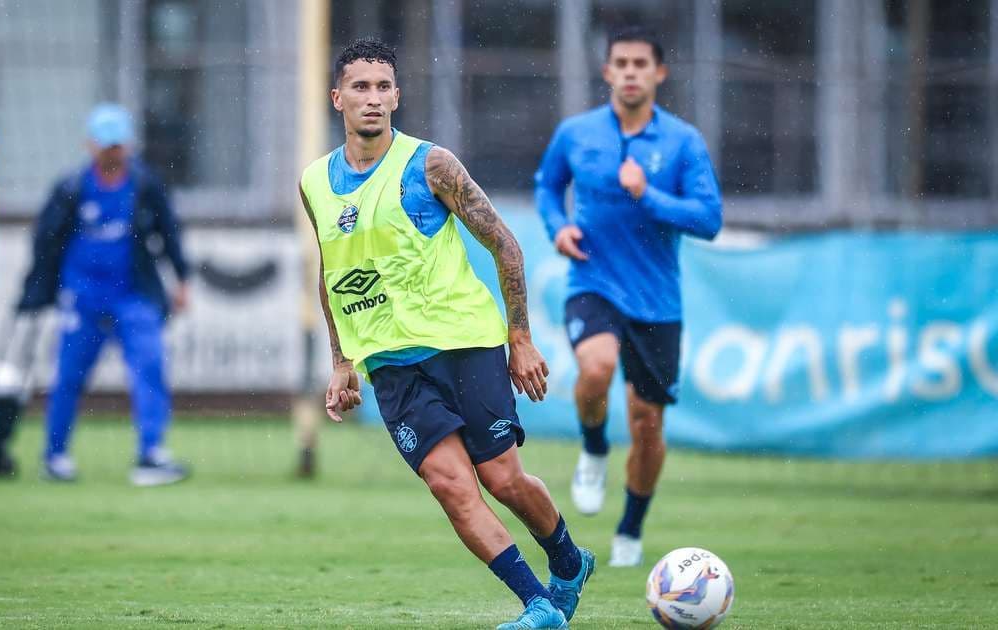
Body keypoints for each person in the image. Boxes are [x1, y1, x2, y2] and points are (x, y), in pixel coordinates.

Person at [300, 38, 595, 629]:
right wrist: (341, 361)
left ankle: (568, 560)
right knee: (450, 485)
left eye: (384, 87)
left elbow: (504, 244)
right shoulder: (314, 182)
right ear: (337, 98)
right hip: (390, 363)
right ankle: (538, 605)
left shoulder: (430, 165)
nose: (373, 98)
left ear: (397, 97)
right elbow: (333, 273)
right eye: (360, 87)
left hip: (464, 345)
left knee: (502, 479)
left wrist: (520, 338)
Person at [534, 26, 723, 567]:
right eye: (622, 63)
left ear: (659, 73)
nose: (631, 72)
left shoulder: (683, 142)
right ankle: (594, 448)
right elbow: (547, 185)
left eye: (641, 63)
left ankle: (630, 530)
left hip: (657, 300)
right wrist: (558, 228)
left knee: (647, 422)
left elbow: (709, 219)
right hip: (592, 280)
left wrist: (649, 194)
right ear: (608, 72)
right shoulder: (577, 133)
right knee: (594, 369)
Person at [17, 103, 191, 487]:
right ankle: (55, 455)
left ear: (128, 145)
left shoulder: (145, 185)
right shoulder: (70, 188)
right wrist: (40, 289)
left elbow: (169, 232)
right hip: (82, 298)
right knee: (68, 376)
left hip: (134, 296)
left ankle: (151, 453)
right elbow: (45, 241)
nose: (112, 153)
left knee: (150, 368)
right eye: (105, 145)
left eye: (117, 145)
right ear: (90, 145)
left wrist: (182, 279)